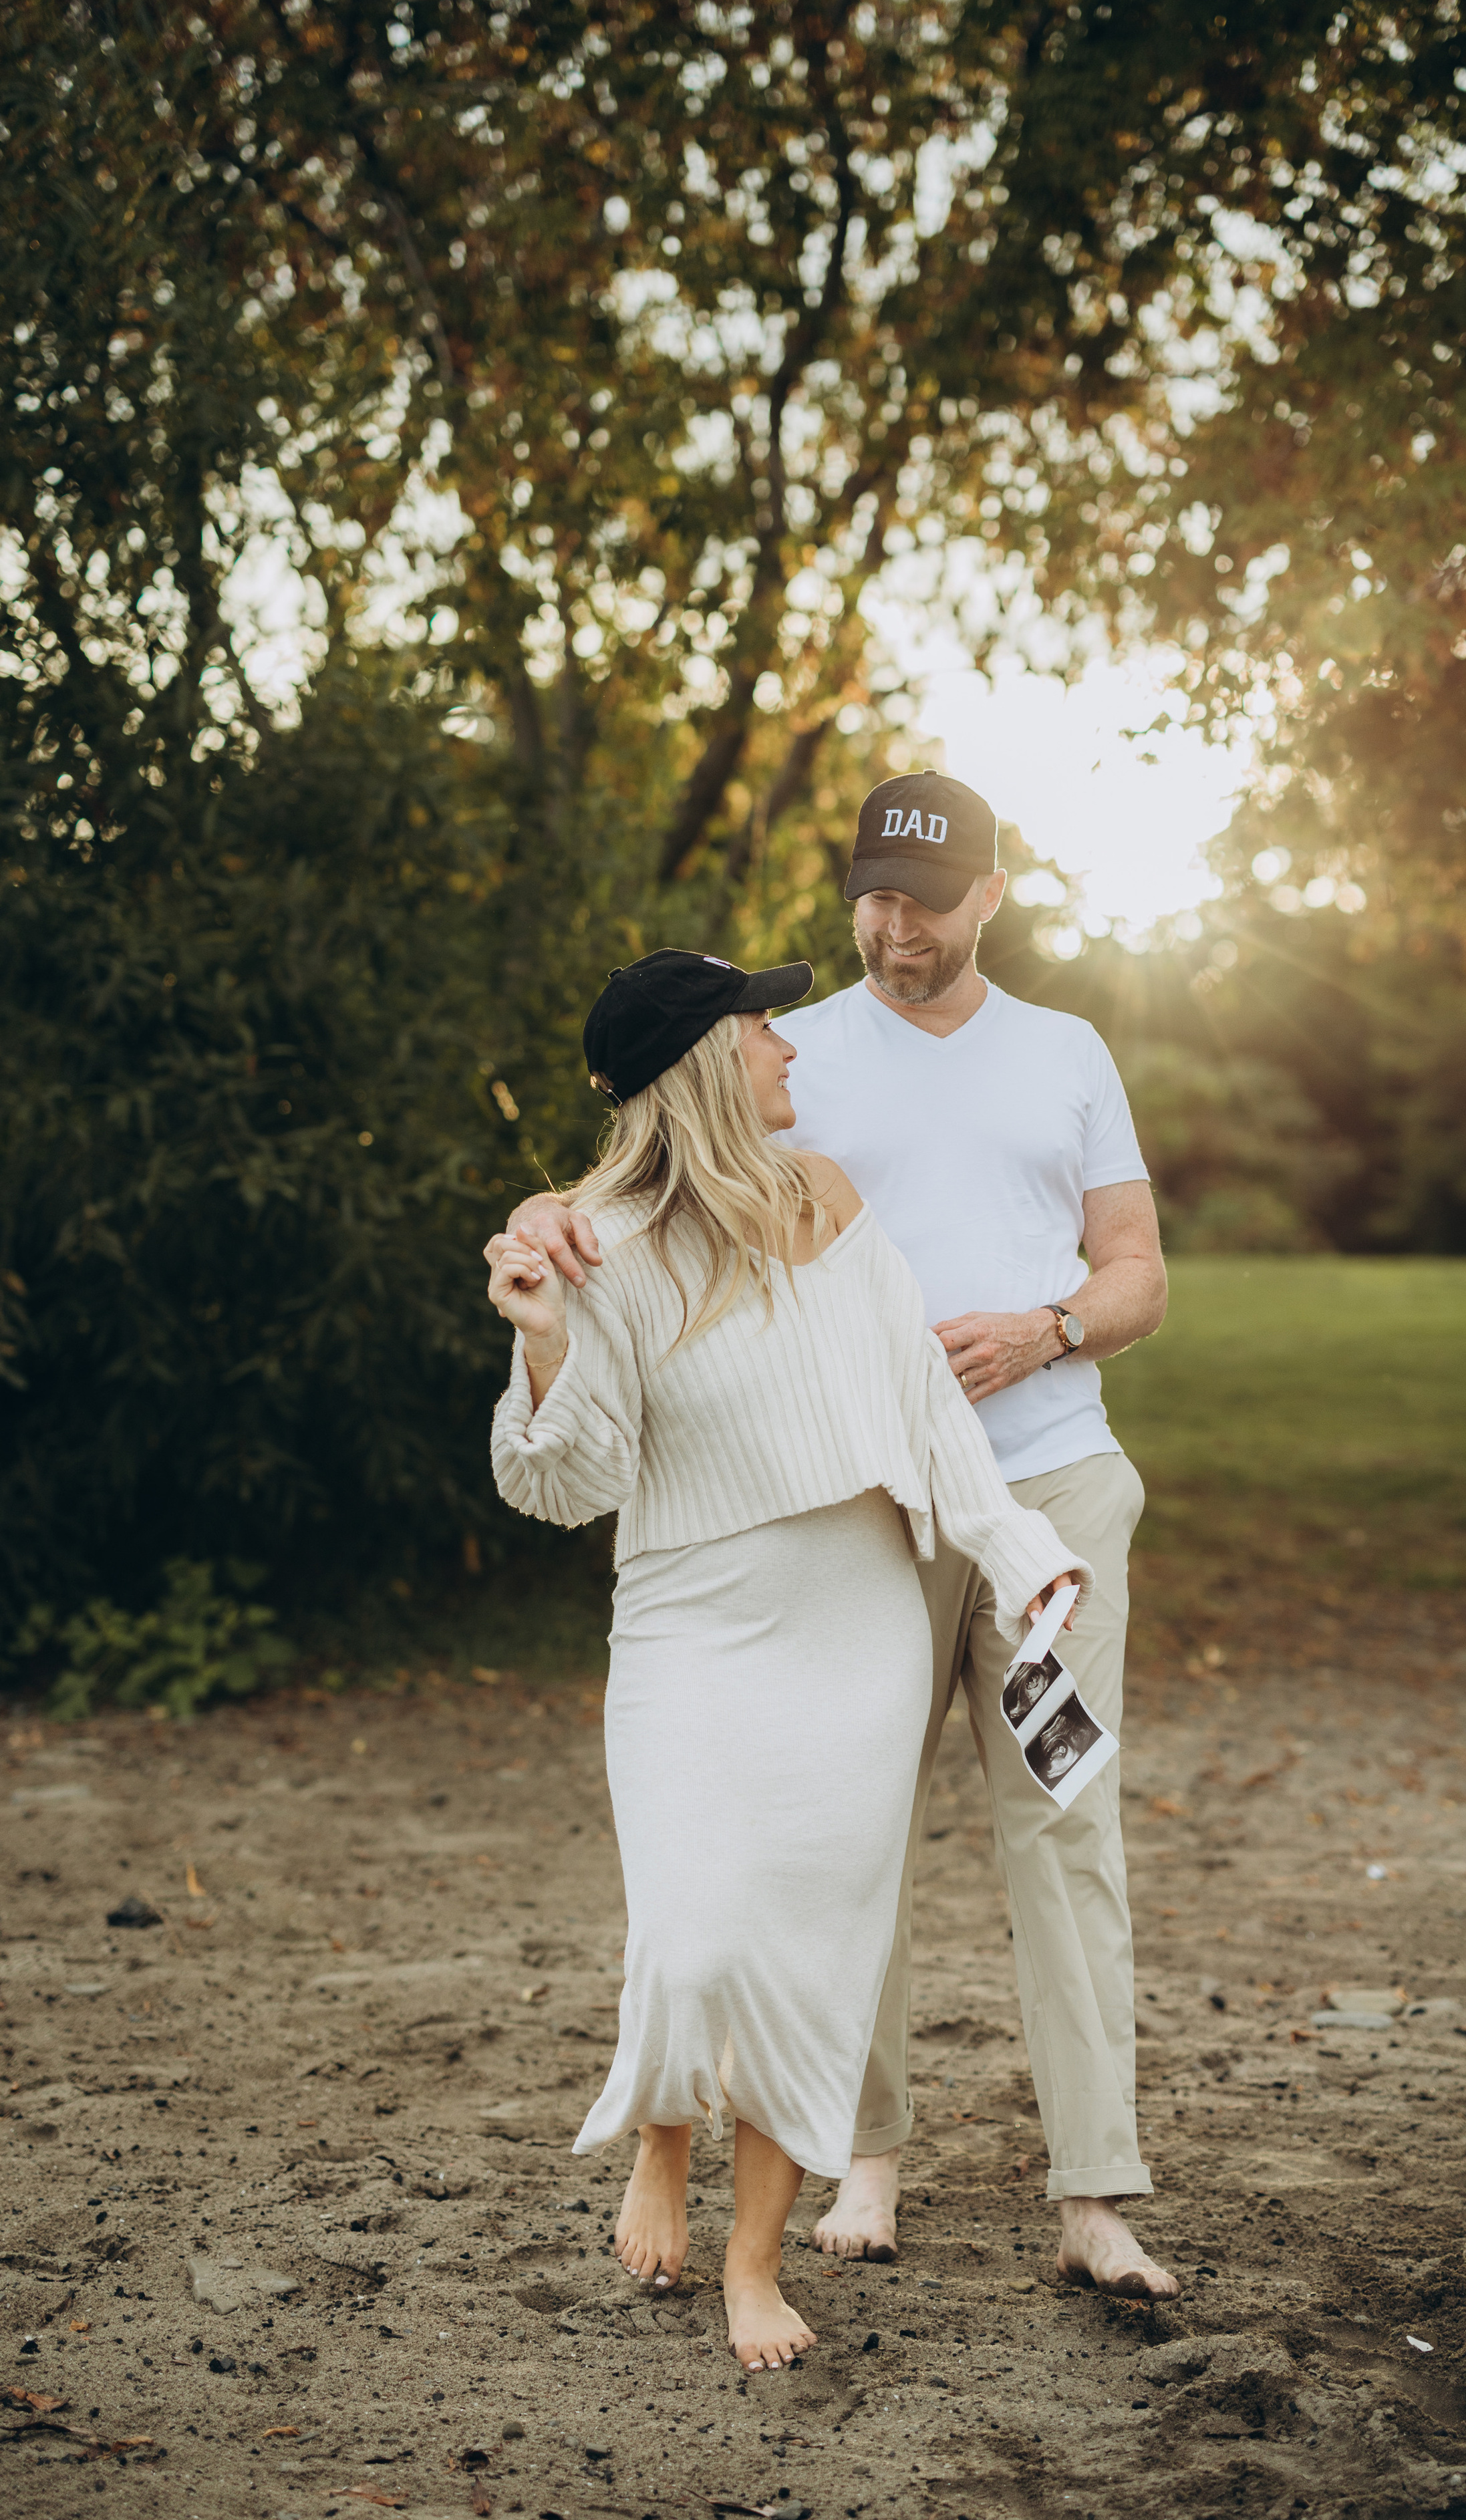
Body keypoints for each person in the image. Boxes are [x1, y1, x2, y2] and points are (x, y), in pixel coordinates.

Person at [506, 770, 1177, 2303]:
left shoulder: (1066, 1057)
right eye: (870, 897)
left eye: (921, 905)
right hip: (857, 1521)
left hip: (1045, 1484)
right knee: (843, 1841)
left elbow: (1138, 1272)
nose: (889, 929)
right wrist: (555, 1221)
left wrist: (1049, 1327)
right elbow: (650, 1167)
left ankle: (1091, 2192)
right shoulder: (796, 1057)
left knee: (1063, 1834)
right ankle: (860, 2155)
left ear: (988, 900)